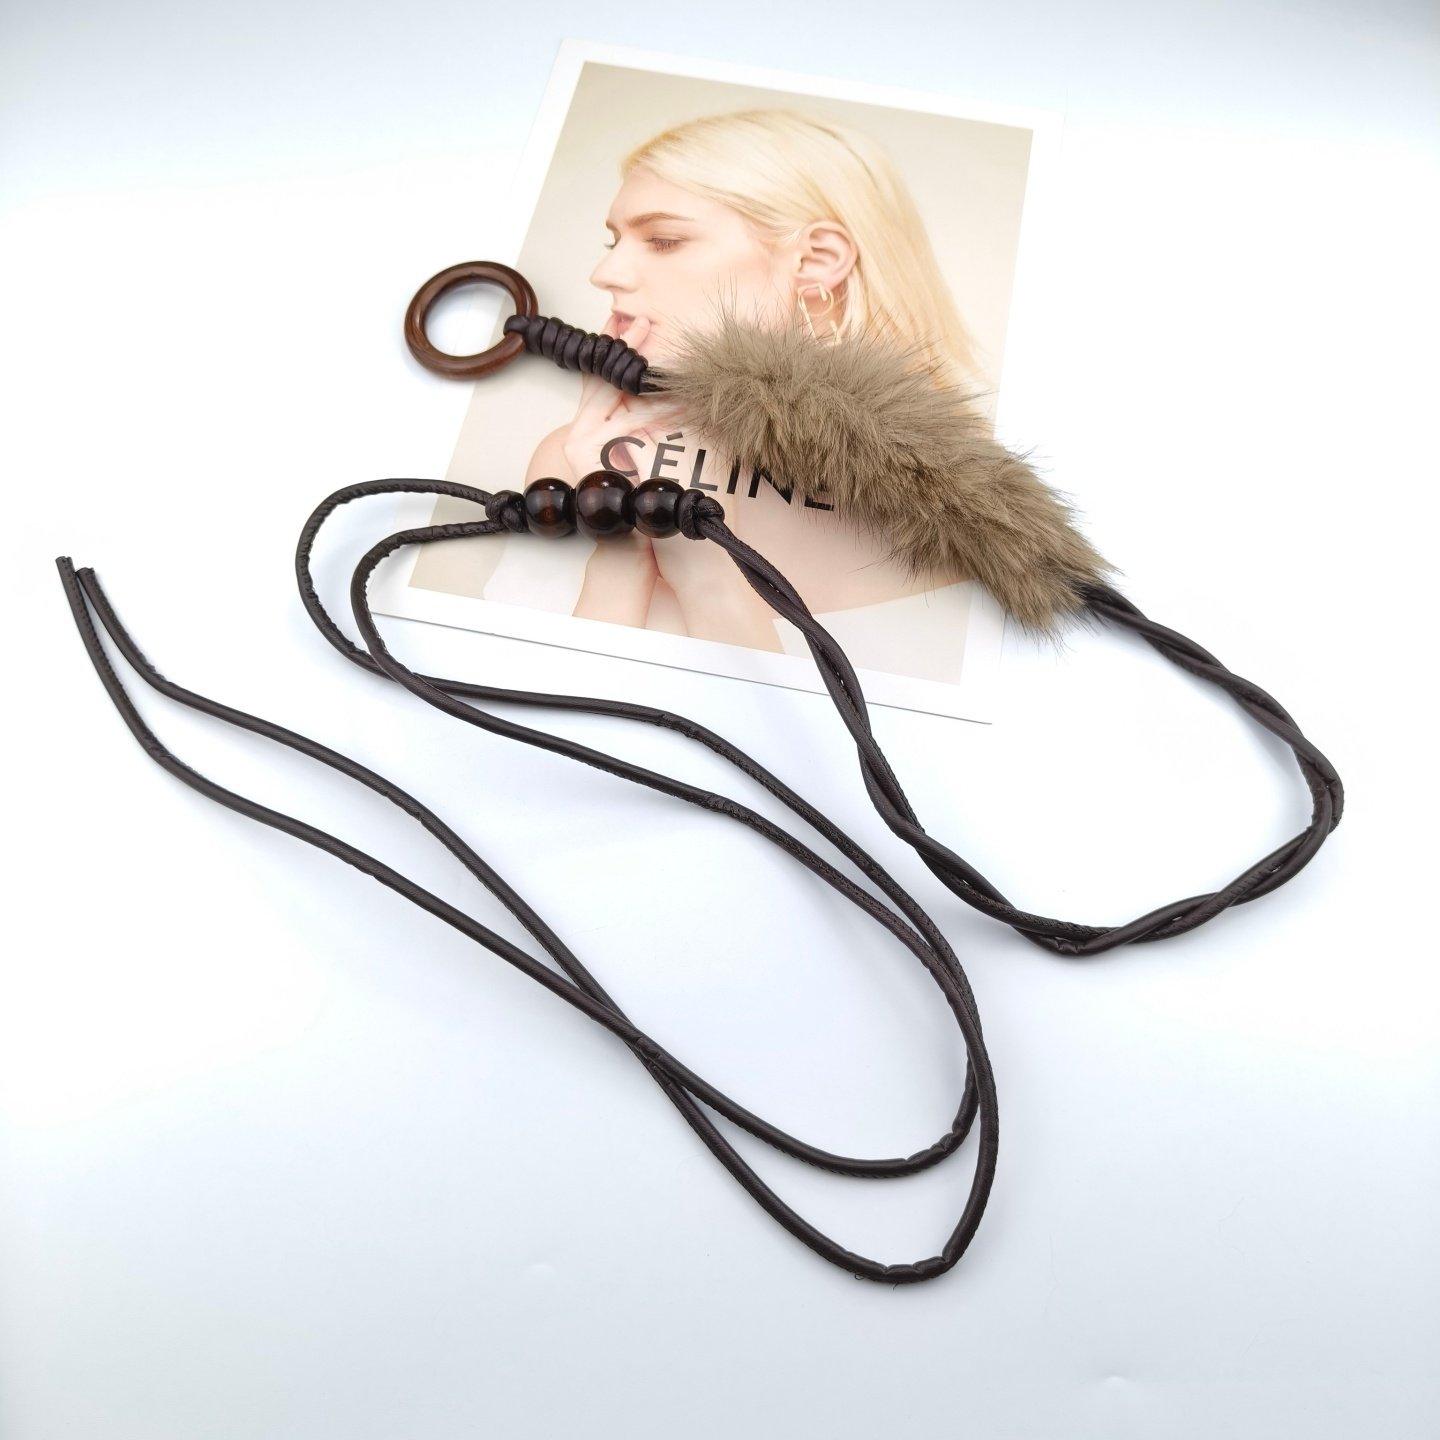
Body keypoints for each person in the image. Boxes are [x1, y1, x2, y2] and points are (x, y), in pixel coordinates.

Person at [522, 107, 991, 658]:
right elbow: (549, 694)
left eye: (664, 239)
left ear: (817, 261)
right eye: (614, 242)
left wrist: (707, 572)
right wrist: (621, 541)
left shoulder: (948, 508)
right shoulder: (573, 461)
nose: (605, 274)